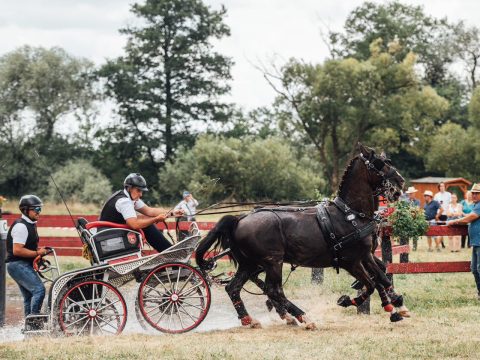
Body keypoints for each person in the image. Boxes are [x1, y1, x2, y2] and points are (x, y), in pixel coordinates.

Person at [99, 173, 183, 253]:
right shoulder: (124, 201)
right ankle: (170, 253)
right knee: (147, 226)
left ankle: (169, 252)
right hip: (108, 238)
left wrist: (173, 213)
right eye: (138, 190)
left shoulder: (129, 197)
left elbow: (150, 211)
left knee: (146, 223)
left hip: (111, 234)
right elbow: (134, 224)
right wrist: (155, 219)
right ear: (129, 188)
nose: (141, 194)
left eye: (142, 191)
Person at [6, 195, 49, 318]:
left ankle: (28, 326)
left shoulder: (30, 224)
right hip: (17, 265)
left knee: (29, 296)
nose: (39, 212)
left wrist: (38, 256)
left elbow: (27, 247)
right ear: (25, 210)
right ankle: (34, 321)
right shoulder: (21, 226)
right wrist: (37, 253)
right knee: (39, 290)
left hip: (20, 264)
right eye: (36, 209)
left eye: (40, 209)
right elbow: (17, 250)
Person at [447, 183, 480, 300]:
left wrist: (455, 221)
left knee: (478, 269)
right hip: (476, 242)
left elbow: (470, 218)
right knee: (475, 269)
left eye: (477, 193)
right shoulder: (476, 205)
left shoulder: (479, 206)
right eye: (473, 193)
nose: (474, 195)